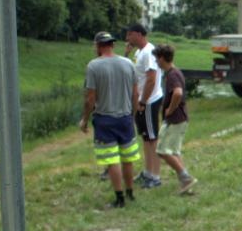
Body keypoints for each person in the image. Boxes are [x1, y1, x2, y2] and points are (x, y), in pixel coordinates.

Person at [80, 31, 141, 207]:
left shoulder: (93, 66)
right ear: (113, 45)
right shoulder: (128, 63)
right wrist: (133, 114)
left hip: (105, 119)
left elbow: (90, 98)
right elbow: (135, 92)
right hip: (125, 118)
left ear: (98, 46)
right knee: (127, 157)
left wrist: (85, 119)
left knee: (112, 159)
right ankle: (130, 192)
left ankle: (119, 198)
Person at [153, 44, 198, 195]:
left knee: (162, 150)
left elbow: (177, 93)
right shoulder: (174, 72)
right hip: (181, 118)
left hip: (175, 119)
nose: (156, 62)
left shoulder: (172, 75)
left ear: (161, 58)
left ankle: (186, 178)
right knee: (174, 151)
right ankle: (186, 184)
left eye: (156, 59)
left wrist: (169, 110)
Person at [124, 23, 163, 187]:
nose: (127, 38)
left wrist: (142, 102)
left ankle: (155, 176)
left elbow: (151, 79)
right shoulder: (139, 52)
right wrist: (126, 53)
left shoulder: (148, 52)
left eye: (130, 34)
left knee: (152, 139)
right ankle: (147, 172)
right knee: (146, 138)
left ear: (139, 34)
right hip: (142, 101)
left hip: (149, 101)